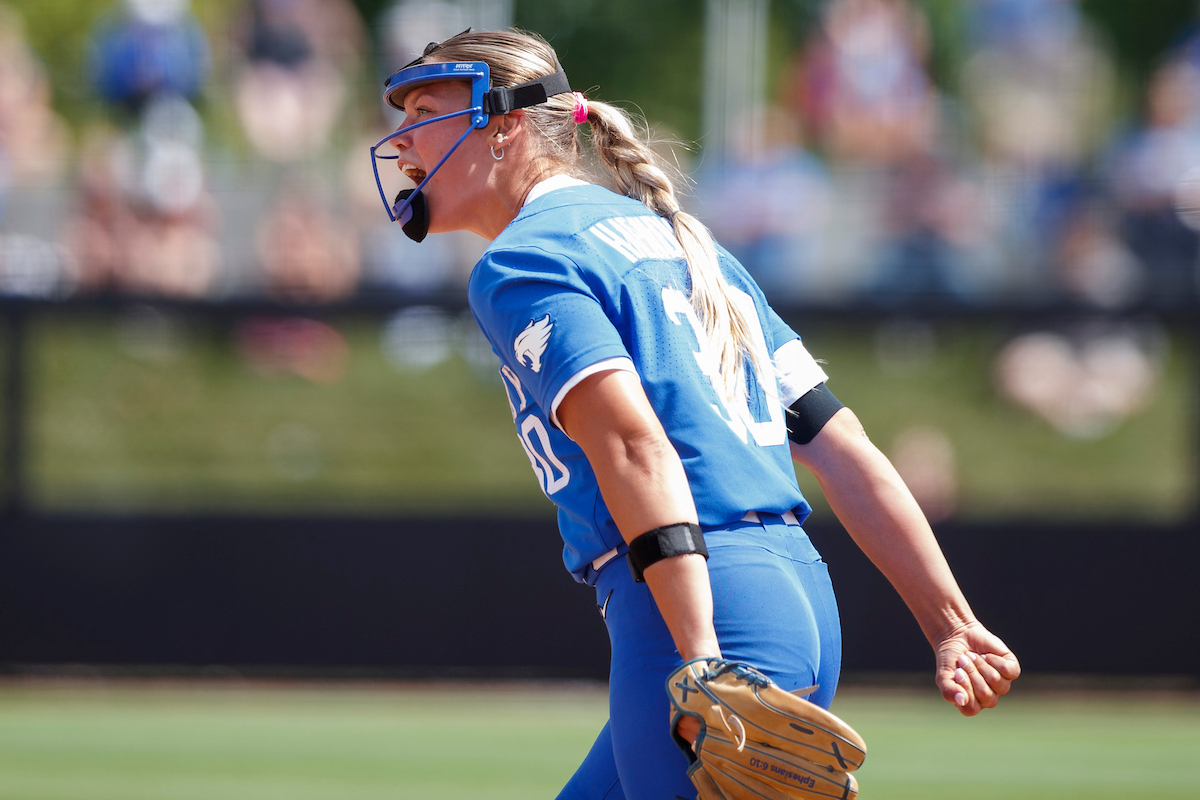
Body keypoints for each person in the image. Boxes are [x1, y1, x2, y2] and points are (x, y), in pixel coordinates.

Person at [369, 28, 1020, 800]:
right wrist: (951, 623)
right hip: (797, 596)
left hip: (700, 609)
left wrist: (702, 655)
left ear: (504, 124)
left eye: (425, 112)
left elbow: (634, 447)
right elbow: (842, 445)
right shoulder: (686, 241)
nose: (400, 139)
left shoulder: (524, 259)